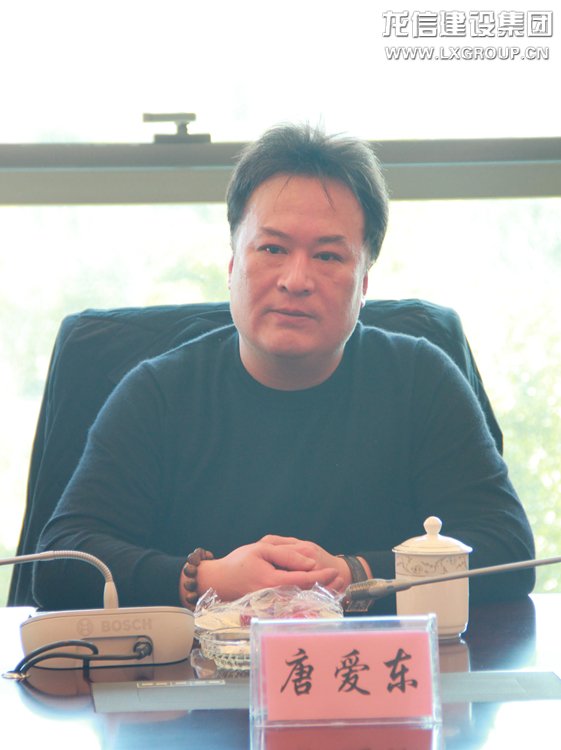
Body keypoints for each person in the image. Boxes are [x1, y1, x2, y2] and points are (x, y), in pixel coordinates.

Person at [33, 124, 535, 612]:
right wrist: (207, 580)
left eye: (328, 256)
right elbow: (60, 564)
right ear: (233, 265)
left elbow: (507, 548)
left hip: (379, 667)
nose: (296, 280)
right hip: (199, 669)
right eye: (272, 249)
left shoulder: (421, 381)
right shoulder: (158, 392)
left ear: (363, 283)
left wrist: (355, 574)